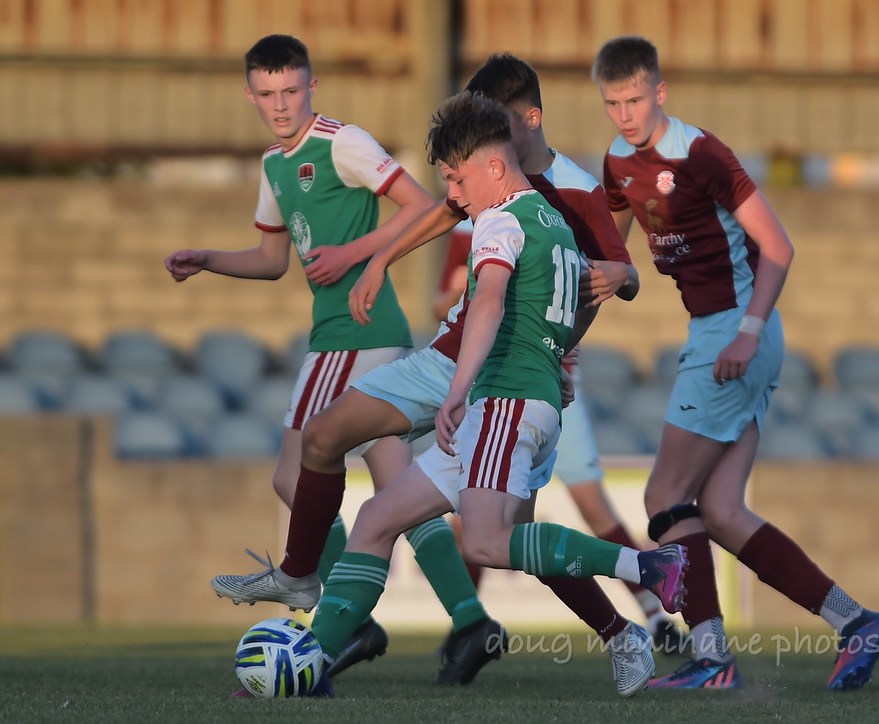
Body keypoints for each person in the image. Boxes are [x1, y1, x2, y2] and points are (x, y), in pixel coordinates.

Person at [208, 51, 673, 692]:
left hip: (508, 378)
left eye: (494, 119)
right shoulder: (482, 187)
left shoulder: (571, 193)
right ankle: (307, 611)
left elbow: (608, 275)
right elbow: (440, 216)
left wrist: (605, 298)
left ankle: (622, 627)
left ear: (524, 123)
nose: (455, 190)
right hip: (454, 362)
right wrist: (378, 260)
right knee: (327, 442)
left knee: (505, 536)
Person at [163, 34, 482, 683]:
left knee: (294, 474)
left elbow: (423, 205)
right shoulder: (275, 165)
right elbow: (274, 260)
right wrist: (211, 260)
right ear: (250, 95)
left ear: (312, 88)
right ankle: (471, 620)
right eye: (268, 94)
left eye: (291, 91)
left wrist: (354, 254)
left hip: (357, 335)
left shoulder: (342, 142)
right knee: (397, 491)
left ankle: (342, 611)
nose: (281, 105)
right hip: (340, 335)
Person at [591, 35, 879, 690]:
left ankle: (712, 661)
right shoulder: (618, 162)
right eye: (613, 102)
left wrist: (747, 334)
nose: (625, 113)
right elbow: (617, 256)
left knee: (664, 496)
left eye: (635, 99)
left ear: (660, 93)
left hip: (733, 332)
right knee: (723, 511)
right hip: (718, 332)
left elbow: (778, 245)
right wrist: (610, 275)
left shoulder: (701, 152)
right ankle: (857, 621)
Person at [437, 221, 687, 656]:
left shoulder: (563, 198)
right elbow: (445, 305)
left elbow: (613, 273)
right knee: (492, 525)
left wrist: (561, 351)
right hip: (498, 386)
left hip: (538, 389)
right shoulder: (473, 219)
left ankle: (650, 610)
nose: (453, 184)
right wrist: (461, 290)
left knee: (571, 508)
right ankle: (472, 623)